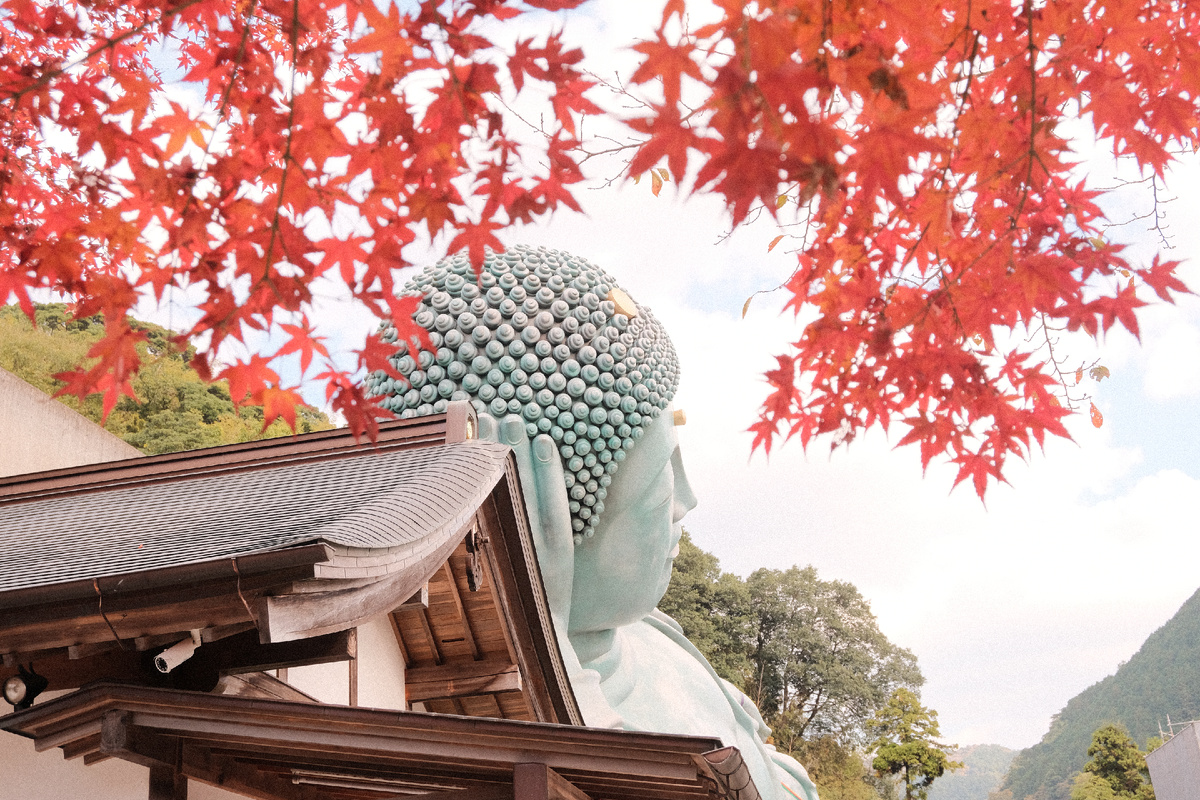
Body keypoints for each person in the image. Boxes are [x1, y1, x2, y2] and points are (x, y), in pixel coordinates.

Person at [369, 245, 819, 800]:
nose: (688, 502)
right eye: (661, 483)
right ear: (543, 516)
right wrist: (542, 642)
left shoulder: (658, 638)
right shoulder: (445, 695)